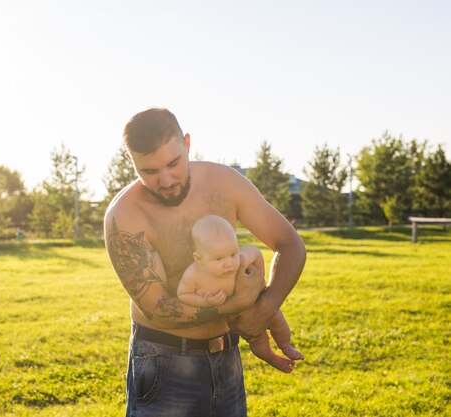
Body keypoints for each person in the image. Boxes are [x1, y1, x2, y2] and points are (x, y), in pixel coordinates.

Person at [104, 107, 306, 417]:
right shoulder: (125, 217)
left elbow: (290, 244)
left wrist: (264, 310)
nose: (167, 180)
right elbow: (159, 308)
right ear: (130, 162)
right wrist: (242, 303)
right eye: (150, 172)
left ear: (186, 143)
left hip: (226, 357)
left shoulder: (224, 182)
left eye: (173, 163)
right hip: (163, 364)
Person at [177, 214, 304, 373]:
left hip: (258, 301)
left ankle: (286, 346)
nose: (229, 262)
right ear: (198, 259)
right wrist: (205, 302)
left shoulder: (242, 258)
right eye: (219, 259)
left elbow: (256, 252)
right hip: (237, 317)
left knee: (278, 321)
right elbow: (183, 294)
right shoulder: (193, 275)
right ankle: (271, 358)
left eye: (232, 254)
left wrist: (258, 279)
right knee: (257, 341)